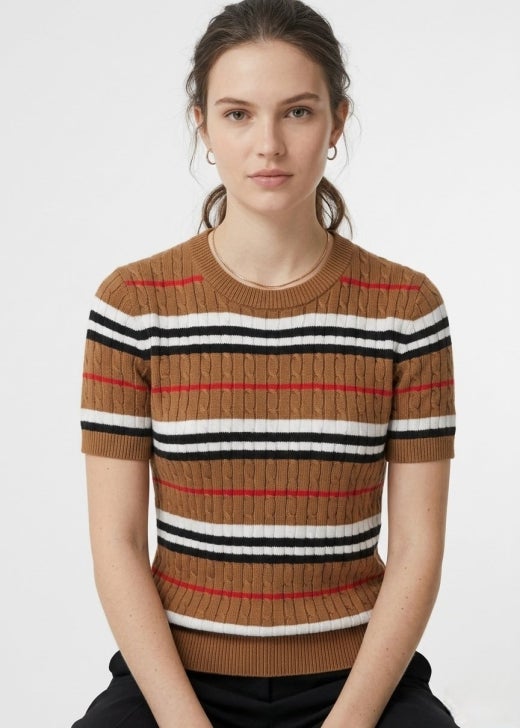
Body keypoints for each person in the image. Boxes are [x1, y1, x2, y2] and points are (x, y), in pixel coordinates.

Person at [72, 1, 459, 726]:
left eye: (299, 112)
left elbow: (416, 549)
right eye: (238, 114)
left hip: (357, 678)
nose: (269, 145)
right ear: (203, 126)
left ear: (337, 123)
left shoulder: (406, 310)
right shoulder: (133, 305)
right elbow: (116, 545)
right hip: (175, 678)